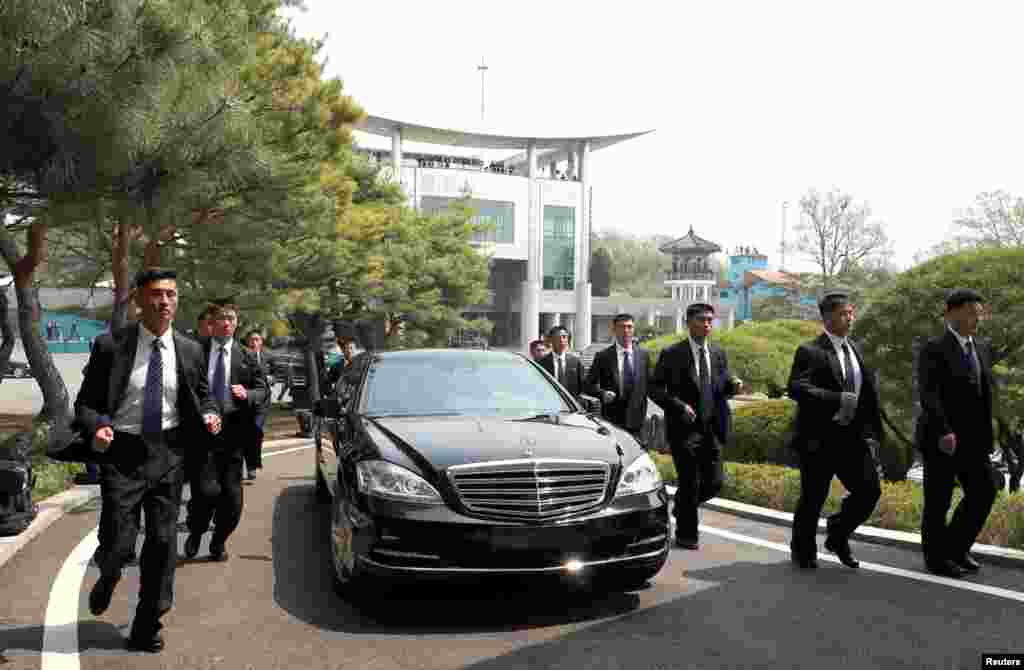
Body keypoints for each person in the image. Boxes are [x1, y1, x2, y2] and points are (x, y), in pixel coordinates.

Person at [77, 269, 221, 653]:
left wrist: (210, 413)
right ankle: (109, 572)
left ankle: (148, 624)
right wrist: (99, 427)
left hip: (169, 453)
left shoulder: (190, 349)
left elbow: (203, 396)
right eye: (156, 294)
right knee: (120, 542)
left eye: (171, 294)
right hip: (122, 452)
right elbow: (87, 403)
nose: (165, 302)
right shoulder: (111, 345)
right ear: (139, 300)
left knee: (161, 541)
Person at [786, 290, 883, 571]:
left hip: (852, 438)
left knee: (869, 491)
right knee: (812, 498)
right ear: (827, 317)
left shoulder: (857, 349)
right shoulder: (810, 351)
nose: (850, 317)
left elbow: (868, 394)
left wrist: (873, 432)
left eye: (851, 312)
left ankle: (838, 533)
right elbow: (796, 388)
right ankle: (803, 551)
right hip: (818, 438)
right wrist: (836, 398)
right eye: (843, 313)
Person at [916, 288, 998, 578]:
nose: (977, 319)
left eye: (979, 314)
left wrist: (991, 435)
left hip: (975, 440)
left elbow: (985, 395)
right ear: (951, 313)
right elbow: (929, 394)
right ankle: (936, 559)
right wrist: (943, 430)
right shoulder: (933, 348)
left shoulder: (983, 347)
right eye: (971, 313)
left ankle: (955, 548)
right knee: (938, 501)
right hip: (943, 439)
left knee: (985, 491)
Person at [649, 303, 742, 550]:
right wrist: (679, 406)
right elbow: (655, 389)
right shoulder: (672, 353)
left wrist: (733, 385)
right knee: (689, 481)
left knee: (714, 482)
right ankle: (687, 535)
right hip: (684, 429)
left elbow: (721, 387)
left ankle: (681, 506)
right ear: (688, 322)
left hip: (713, 427)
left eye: (710, 320)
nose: (707, 324)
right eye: (702, 320)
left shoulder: (719, 353)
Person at [184, 304, 268, 562]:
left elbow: (263, 390)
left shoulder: (246, 356)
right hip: (202, 434)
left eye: (231, 319)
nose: (226, 323)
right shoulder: (196, 350)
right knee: (206, 493)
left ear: (236, 323)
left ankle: (219, 540)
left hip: (234, 437)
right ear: (212, 322)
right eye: (222, 318)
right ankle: (196, 531)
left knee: (232, 500)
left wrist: (248, 394)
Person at [584, 313, 650, 443]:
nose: (626, 331)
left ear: (633, 329)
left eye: (629, 327)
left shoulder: (643, 355)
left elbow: (649, 385)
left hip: (637, 420)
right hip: (612, 419)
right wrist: (602, 393)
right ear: (613, 330)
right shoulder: (603, 356)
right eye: (621, 327)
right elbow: (587, 385)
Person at [243, 330, 272, 481]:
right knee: (247, 433)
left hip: (263, 403)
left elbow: (279, 370)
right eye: (251, 340)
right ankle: (248, 464)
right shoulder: (242, 356)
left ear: (261, 342)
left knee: (256, 431)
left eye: (257, 339)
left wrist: (272, 378)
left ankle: (252, 465)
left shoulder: (268, 357)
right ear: (247, 342)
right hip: (247, 401)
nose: (254, 342)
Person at [538, 325, 585, 399]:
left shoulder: (575, 362)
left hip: (570, 405)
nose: (561, 340)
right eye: (557, 337)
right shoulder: (542, 363)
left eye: (564, 337)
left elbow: (582, 387)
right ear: (551, 340)